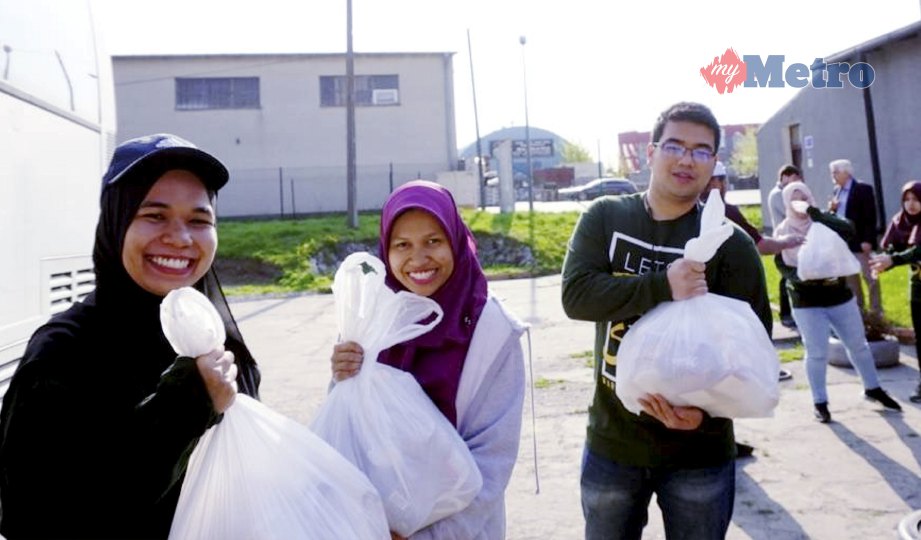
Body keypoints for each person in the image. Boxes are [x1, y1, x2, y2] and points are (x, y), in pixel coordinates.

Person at [0, 133, 261, 538]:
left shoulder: (215, 338)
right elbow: (35, 516)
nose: (180, 238)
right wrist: (187, 404)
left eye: (199, 219)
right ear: (116, 222)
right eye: (154, 215)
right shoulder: (64, 353)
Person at [561, 102, 772, 540]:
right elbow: (576, 297)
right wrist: (663, 285)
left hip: (700, 452)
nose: (685, 159)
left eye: (701, 151)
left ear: (714, 163)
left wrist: (703, 417)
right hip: (612, 442)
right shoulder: (606, 217)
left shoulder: (730, 246)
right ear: (652, 152)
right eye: (674, 145)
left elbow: (754, 354)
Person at [330, 180, 526, 539]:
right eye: (402, 245)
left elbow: (491, 465)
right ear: (385, 251)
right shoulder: (371, 323)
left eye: (433, 241)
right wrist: (341, 376)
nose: (418, 260)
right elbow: (350, 427)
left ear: (455, 240)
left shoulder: (494, 333)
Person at [774, 181, 901, 423]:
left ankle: (872, 388)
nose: (799, 201)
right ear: (786, 202)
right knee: (817, 352)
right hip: (806, 300)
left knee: (858, 345)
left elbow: (848, 229)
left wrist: (815, 213)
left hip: (838, 295)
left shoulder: (823, 222)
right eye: (794, 198)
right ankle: (820, 402)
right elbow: (782, 265)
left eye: (804, 196)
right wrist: (804, 277)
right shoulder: (783, 231)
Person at [870, 180, 921, 403]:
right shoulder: (903, 222)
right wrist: (885, 258)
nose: (911, 204)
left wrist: (893, 259)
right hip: (919, 286)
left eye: (916, 199)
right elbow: (894, 245)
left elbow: (917, 250)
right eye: (907, 199)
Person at [828, 158, 882, 318]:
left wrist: (868, 240)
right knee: (852, 279)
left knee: (870, 277)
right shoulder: (836, 191)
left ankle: (876, 312)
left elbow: (870, 217)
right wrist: (832, 210)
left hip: (861, 242)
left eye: (836, 172)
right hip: (844, 243)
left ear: (846, 172)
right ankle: (859, 312)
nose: (833, 175)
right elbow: (834, 217)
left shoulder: (863, 189)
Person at [768, 164, 804, 328]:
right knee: (786, 278)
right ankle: (786, 314)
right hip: (783, 239)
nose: (796, 182)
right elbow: (793, 211)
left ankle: (792, 311)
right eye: (794, 178)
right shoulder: (778, 195)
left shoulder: (784, 193)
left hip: (791, 240)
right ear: (785, 177)